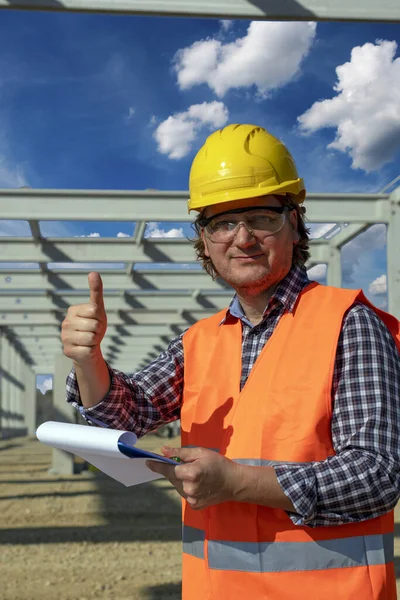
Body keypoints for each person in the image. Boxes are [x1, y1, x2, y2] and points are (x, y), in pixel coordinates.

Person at [63, 124, 400, 600]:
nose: (242, 238)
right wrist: (88, 361)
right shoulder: (198, 341)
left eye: (262, 216)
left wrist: (238, 482)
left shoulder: (349, 323)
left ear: (295, 222)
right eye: (222, 222)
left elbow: (377, 475)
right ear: (204, 241)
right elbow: (128, 412)